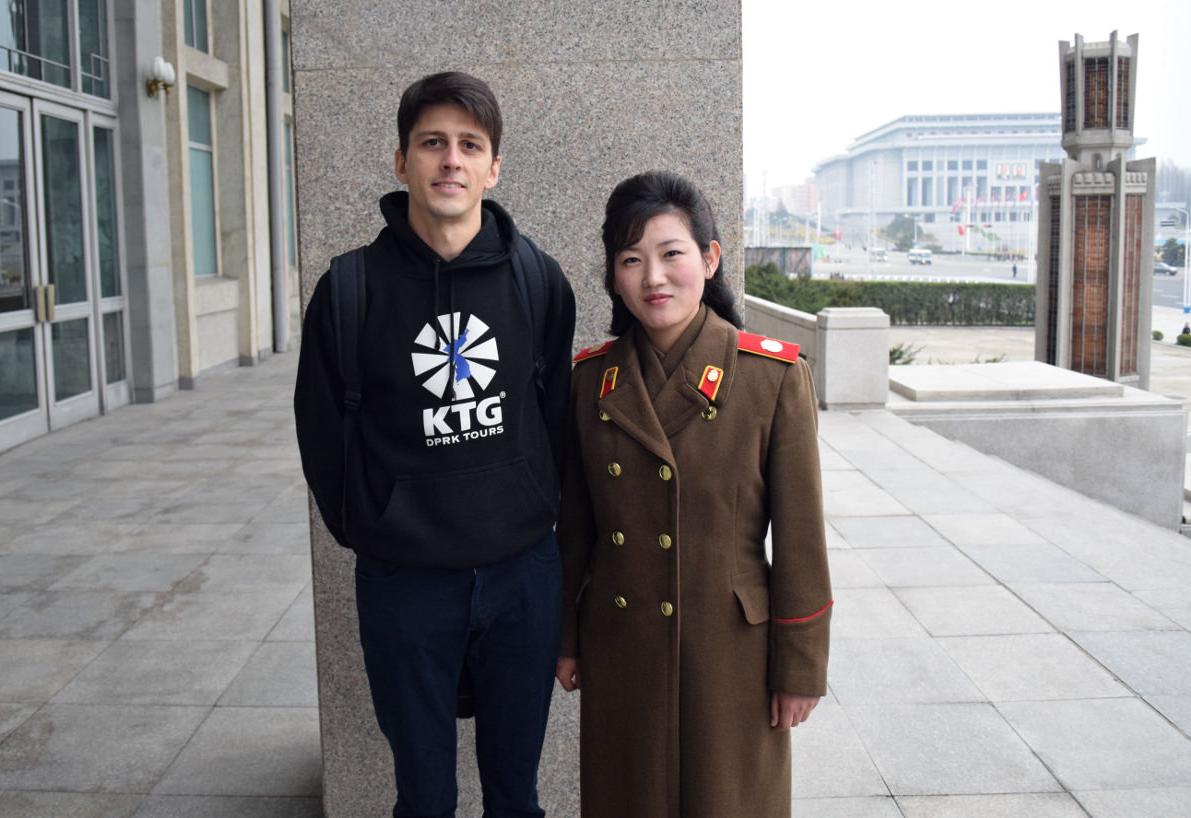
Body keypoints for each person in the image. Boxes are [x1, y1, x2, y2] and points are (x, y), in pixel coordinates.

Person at [295, 71, 576, 817]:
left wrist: (534, 510)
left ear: (493, 167)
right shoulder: (350, 290)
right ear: (402, 163)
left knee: (516, 795)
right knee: (423, 796)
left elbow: (555, 420)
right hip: (405, 583)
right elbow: (320, 432)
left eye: (469, 145)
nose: (451, 160)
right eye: (432, 143)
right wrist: (374, 530)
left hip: (522, 577)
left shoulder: (539, 281)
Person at [555, 171, 832, 817]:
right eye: (631, 260)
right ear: (613, 278)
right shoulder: (590, 382)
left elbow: (800, 542)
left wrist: (800, 667)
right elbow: (576, 528)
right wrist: (566, 636)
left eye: (671, 253)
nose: (654, 277)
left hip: (730, 653)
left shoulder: (771, 378)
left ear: (708, 259)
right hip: (621, 645)